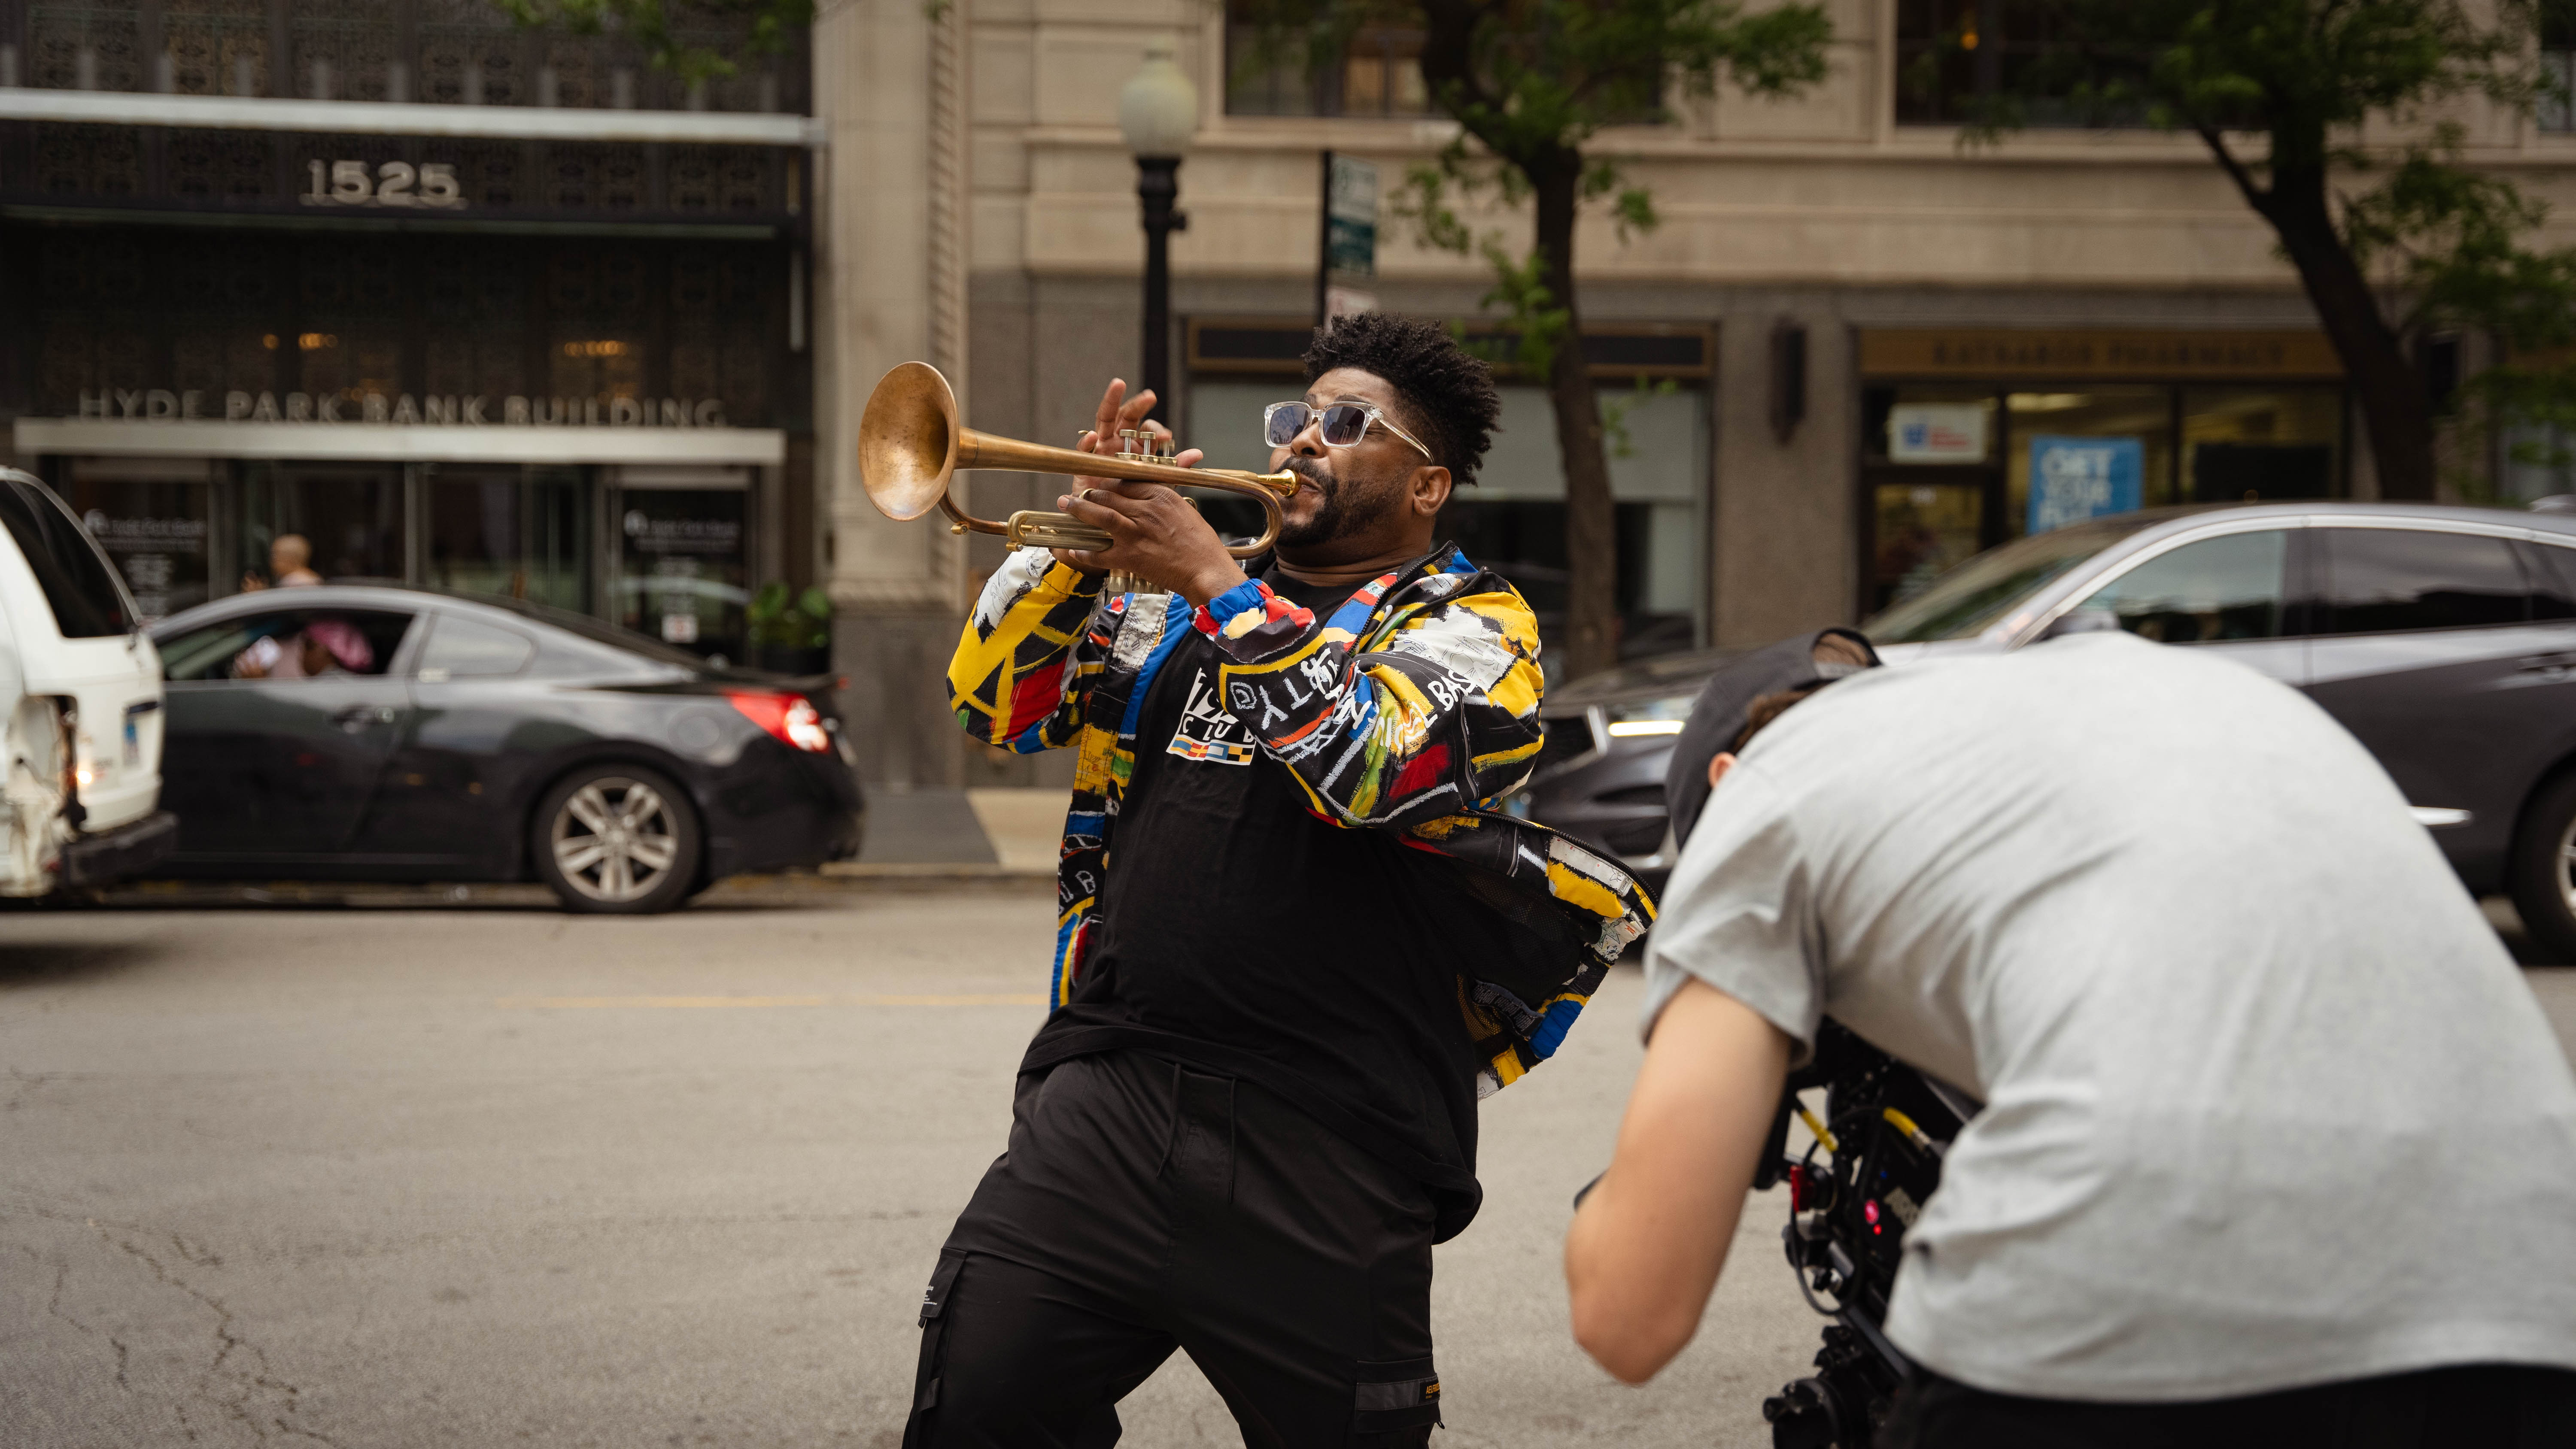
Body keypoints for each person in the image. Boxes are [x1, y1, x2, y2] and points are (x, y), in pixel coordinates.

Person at [905, 313, 1653, 1448]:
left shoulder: (1475, 626)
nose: (1302, 439)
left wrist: (1217, 579)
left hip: (1334, 1132)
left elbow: (1369, 773)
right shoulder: (1173, 598)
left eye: (1346, 424)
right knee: (975, 1411)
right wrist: (1075, 551)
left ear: (1427, 485)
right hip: (1111, 1091)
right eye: (1297, 417)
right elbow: (991, 707)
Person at [1563, 629, 2576, 1446]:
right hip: (2530, 1277)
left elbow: (1631, 1315)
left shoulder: (1769, 792)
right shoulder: (2157, 687)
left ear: (1725, 774)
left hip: (2129, 1290)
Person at [233, 617, 373, 680]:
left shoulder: (332, 685)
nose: (302, 650)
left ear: (330, 654)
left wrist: (260, 687)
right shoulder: (332, 682)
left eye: (309, 645)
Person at [240, 533, 322, 592]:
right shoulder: (310, 579)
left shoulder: (297, 584)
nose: (271, 560)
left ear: (290, 558)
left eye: (275, 555)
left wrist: (256, 596)